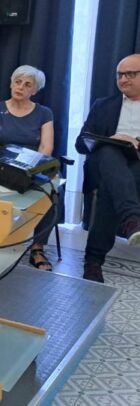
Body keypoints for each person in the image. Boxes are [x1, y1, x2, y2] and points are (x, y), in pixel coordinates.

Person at [75, 53, 140, 283]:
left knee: (110, 188)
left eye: (130, 74)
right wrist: (110, 140)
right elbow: (81, 143)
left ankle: (93, 262)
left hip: (137, 163)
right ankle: (132, 220)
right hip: (107, 162)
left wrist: (135, 142)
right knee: (109, 151)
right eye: (119, 75)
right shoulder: (103, 105)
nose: (123, 79)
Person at [0, 65, 55, 271]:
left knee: (51, 191)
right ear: (11, 84)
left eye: (27, 84)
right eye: (17, 82)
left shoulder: (44, 113)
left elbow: (46, 147)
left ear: (35, 90)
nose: (20, 87)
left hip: (32, 166)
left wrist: (31, 169)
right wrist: (8, 168)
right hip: (1, 165)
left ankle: (37, 248)